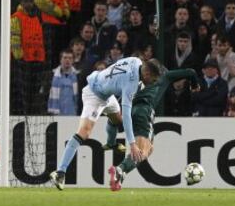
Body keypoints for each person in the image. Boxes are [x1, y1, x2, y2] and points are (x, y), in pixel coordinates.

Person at [50, 57, 149, 190]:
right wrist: (132, 144)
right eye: (153, 79)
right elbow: (127, 115)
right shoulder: (131, 84)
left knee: (117, 121)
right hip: (94, 94)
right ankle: (60, 173)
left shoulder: (136, 60)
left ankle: (111, 143)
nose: (152, 82)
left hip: (107, 94)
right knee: (84, 132)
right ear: (147, 73)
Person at [106, 66, 199, 191]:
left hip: (128, 111)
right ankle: (120, 169)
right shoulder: (164, 76)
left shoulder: (135, 79)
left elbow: (119, 102)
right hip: (144, 111)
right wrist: (194, 85)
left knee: (146, 149)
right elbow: (191, 72)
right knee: (143, 150)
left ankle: (121, 174)